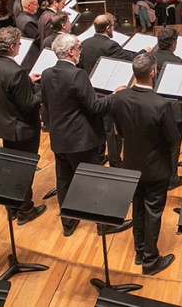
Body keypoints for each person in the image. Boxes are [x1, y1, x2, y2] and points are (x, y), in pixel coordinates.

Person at [40, 33, 120, 236]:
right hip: (81, 139)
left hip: (59, 137)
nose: (80, 52)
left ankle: (68, 222)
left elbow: (47, 107)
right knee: (94, 181)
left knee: (64, 179)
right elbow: (94, 106)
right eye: (78, 48)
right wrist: (114, 96)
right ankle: (103, 224)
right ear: (70, 52)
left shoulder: (47, 73)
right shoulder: (77, 75)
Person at [109, 52, 179, 275]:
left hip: (130, 162)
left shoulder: (119, 98)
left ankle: (140, 251)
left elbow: (119, 129)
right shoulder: (160, 104)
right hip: (155, 167)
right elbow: (173, 139)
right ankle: (150, 260)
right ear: (153, 72)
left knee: (137, 207)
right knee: (154, 211)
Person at [0, 27, 46, 224]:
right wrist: (44, 89)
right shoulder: (16, 71)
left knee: (10, 167)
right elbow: (28, 105)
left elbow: (4, 88)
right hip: (22, 128)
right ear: (11, 47)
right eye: (18, 44)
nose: (19, 47)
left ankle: (12, 208)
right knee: (23, 169)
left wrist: (26, 82)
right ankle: (25, 210)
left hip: (2, 125)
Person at [79, 13, 139, 167]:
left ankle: (99, 156)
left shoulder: (84, 43)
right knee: (111, 130)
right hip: (108, 92)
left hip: (91, 91)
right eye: (112, 26)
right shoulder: (110, 45)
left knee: (97, 126)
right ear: (107, 28)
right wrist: (144, 51)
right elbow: (128, 57)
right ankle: (115, 161)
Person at [154, 27, 182, 190]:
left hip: (154, 106)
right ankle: (171, 178)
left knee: (159, 143)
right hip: (173, 110)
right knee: (174, 144)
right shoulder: (178, 62)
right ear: (173, 43)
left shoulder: (151, 57)